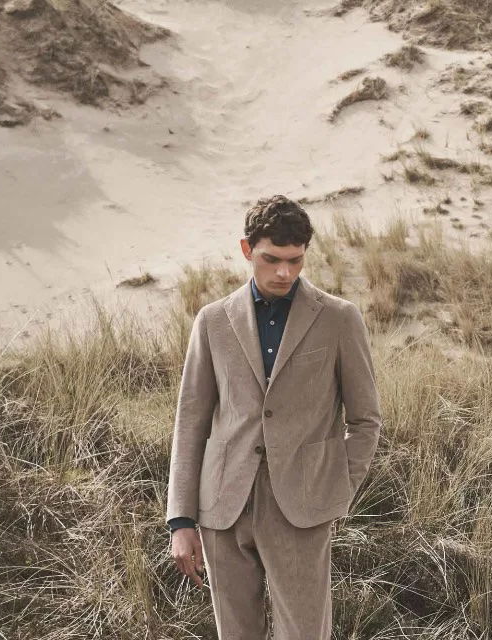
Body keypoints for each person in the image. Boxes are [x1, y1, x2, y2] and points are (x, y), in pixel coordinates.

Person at [164, 195, 383, 638]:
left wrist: (334, 485)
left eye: (295, 261)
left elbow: (365, 421)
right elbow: (191, 422)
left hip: (302, 508)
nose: (284, 272)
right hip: (223, 507)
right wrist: (181, 520)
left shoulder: (340, 319)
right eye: (272, 259)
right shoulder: (212, 322)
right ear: (247, 251)